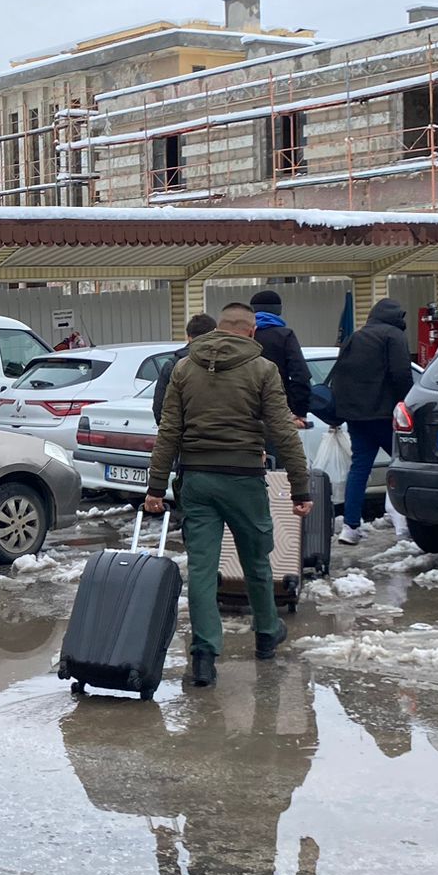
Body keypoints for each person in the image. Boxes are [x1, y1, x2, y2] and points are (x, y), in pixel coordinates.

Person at [143, 303, 312, 681]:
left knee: (202, 570)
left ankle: (204, 656)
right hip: (244, 480)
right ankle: (267, 635)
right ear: (252, 333)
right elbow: (283, 432)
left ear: (218, 329)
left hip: (198, 481)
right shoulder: (263, 369)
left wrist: (155, 487)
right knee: (256, 560)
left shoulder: (184, 368)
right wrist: (300, 487)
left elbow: (168, 431)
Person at [326, 297, 415, 545]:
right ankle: (403, 525)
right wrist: (408, 403)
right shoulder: (393, 336)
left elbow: (341, 377)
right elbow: (401, 373)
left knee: (360, 469)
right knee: (403, 465)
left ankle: (350, 527)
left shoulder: (355, 337)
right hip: (386, 415)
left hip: (357, 416)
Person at [248, 289, 313, 426]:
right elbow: (300, 375)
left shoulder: (243, 336)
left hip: (245, 409)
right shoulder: (285, 336)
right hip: (278, 407)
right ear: (278, 310)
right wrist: (299, 411)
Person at [151, 312, 216, 424]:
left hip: (182, 434)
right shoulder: (224, 362)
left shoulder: (172, 365)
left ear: (189, 337)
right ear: (215, 333)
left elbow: (159, 407)